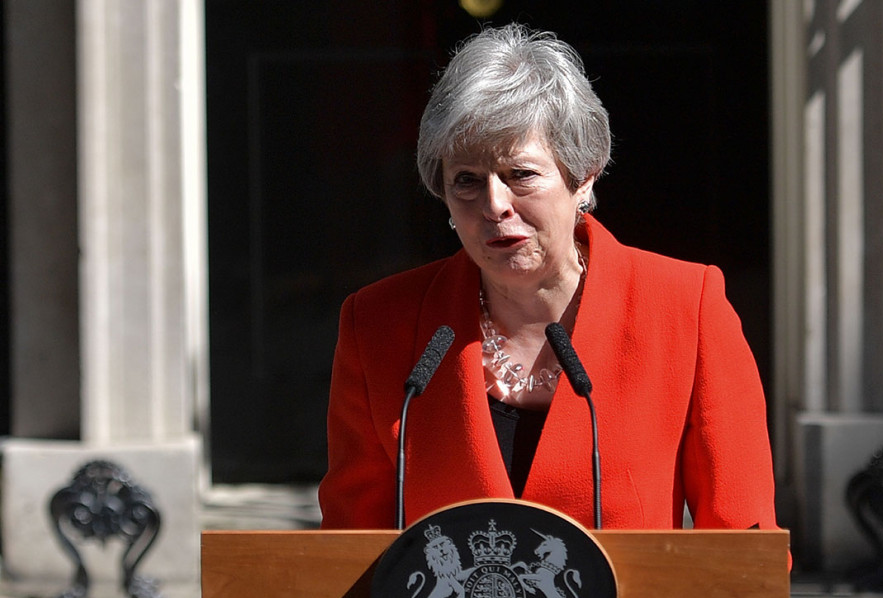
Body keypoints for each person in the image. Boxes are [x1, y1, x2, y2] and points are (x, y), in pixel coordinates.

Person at [318, 24, 779, 535]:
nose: (495, 206)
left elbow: (743, 545)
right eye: (466, 181)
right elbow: (348, 549)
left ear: (583, 176)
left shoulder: (684, 308)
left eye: (521, 175)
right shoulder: (379, 324)